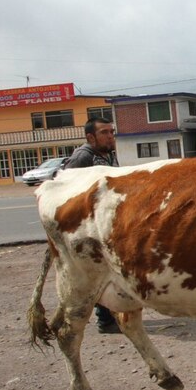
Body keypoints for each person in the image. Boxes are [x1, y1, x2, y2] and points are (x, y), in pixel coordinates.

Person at [62, 116, 120, 334]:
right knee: (97, 273)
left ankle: (111, 316)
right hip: (88, 227)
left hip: (106, 223)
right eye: (105, 132)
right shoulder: (83, 158)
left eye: (111, 132)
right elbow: (68, 192)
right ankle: (104, 320)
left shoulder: (107, 155)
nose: (110, 136)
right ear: (90, 137)